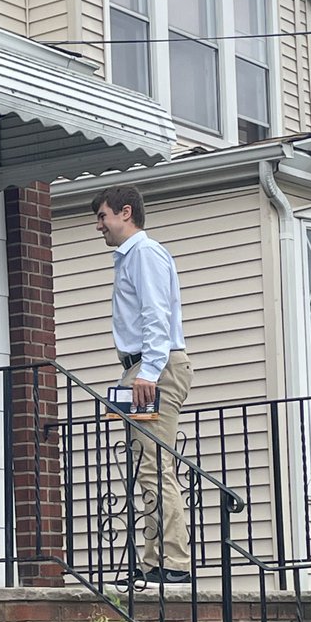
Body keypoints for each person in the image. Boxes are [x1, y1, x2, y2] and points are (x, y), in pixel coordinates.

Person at [91, 185, 192, 583]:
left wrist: (148, 372)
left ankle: (173, 563)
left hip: (156, 368)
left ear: (125, 213)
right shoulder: (131, 257)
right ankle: (153, 563)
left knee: (154, 465)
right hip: (143, 369)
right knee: (146, 466)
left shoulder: (144, 254)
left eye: (102, 216)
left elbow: (155, 314)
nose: (99, 226)